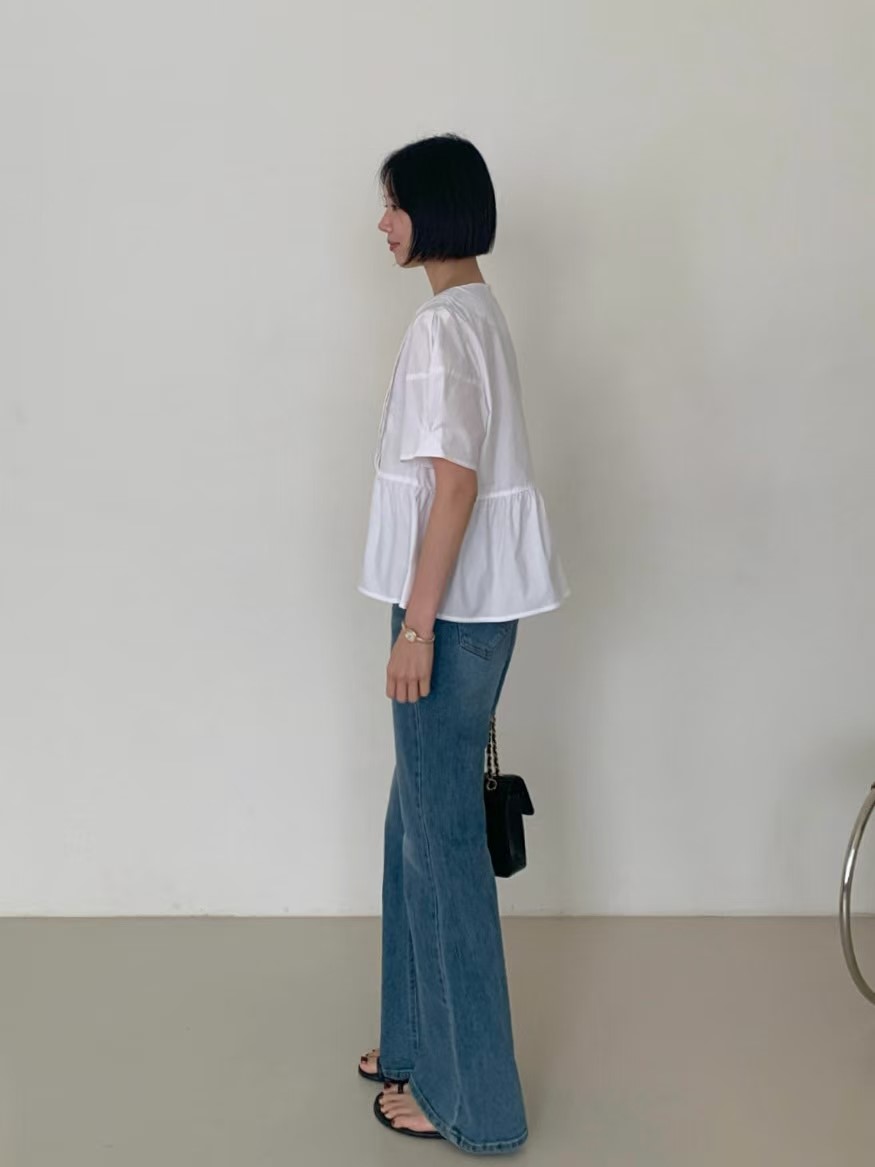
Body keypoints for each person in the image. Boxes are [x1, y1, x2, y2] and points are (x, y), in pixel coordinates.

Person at [357, 133, 569, 1155]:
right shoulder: (476, 310)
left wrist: (415, 623)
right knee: (415, 826)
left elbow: (454, 485)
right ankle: (412, 1042)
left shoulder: (444, 327)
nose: (382, 223)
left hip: (446, 610)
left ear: (433, 209)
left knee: (440, 850)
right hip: (471, 606)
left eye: (393, 204)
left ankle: (472, 1103)